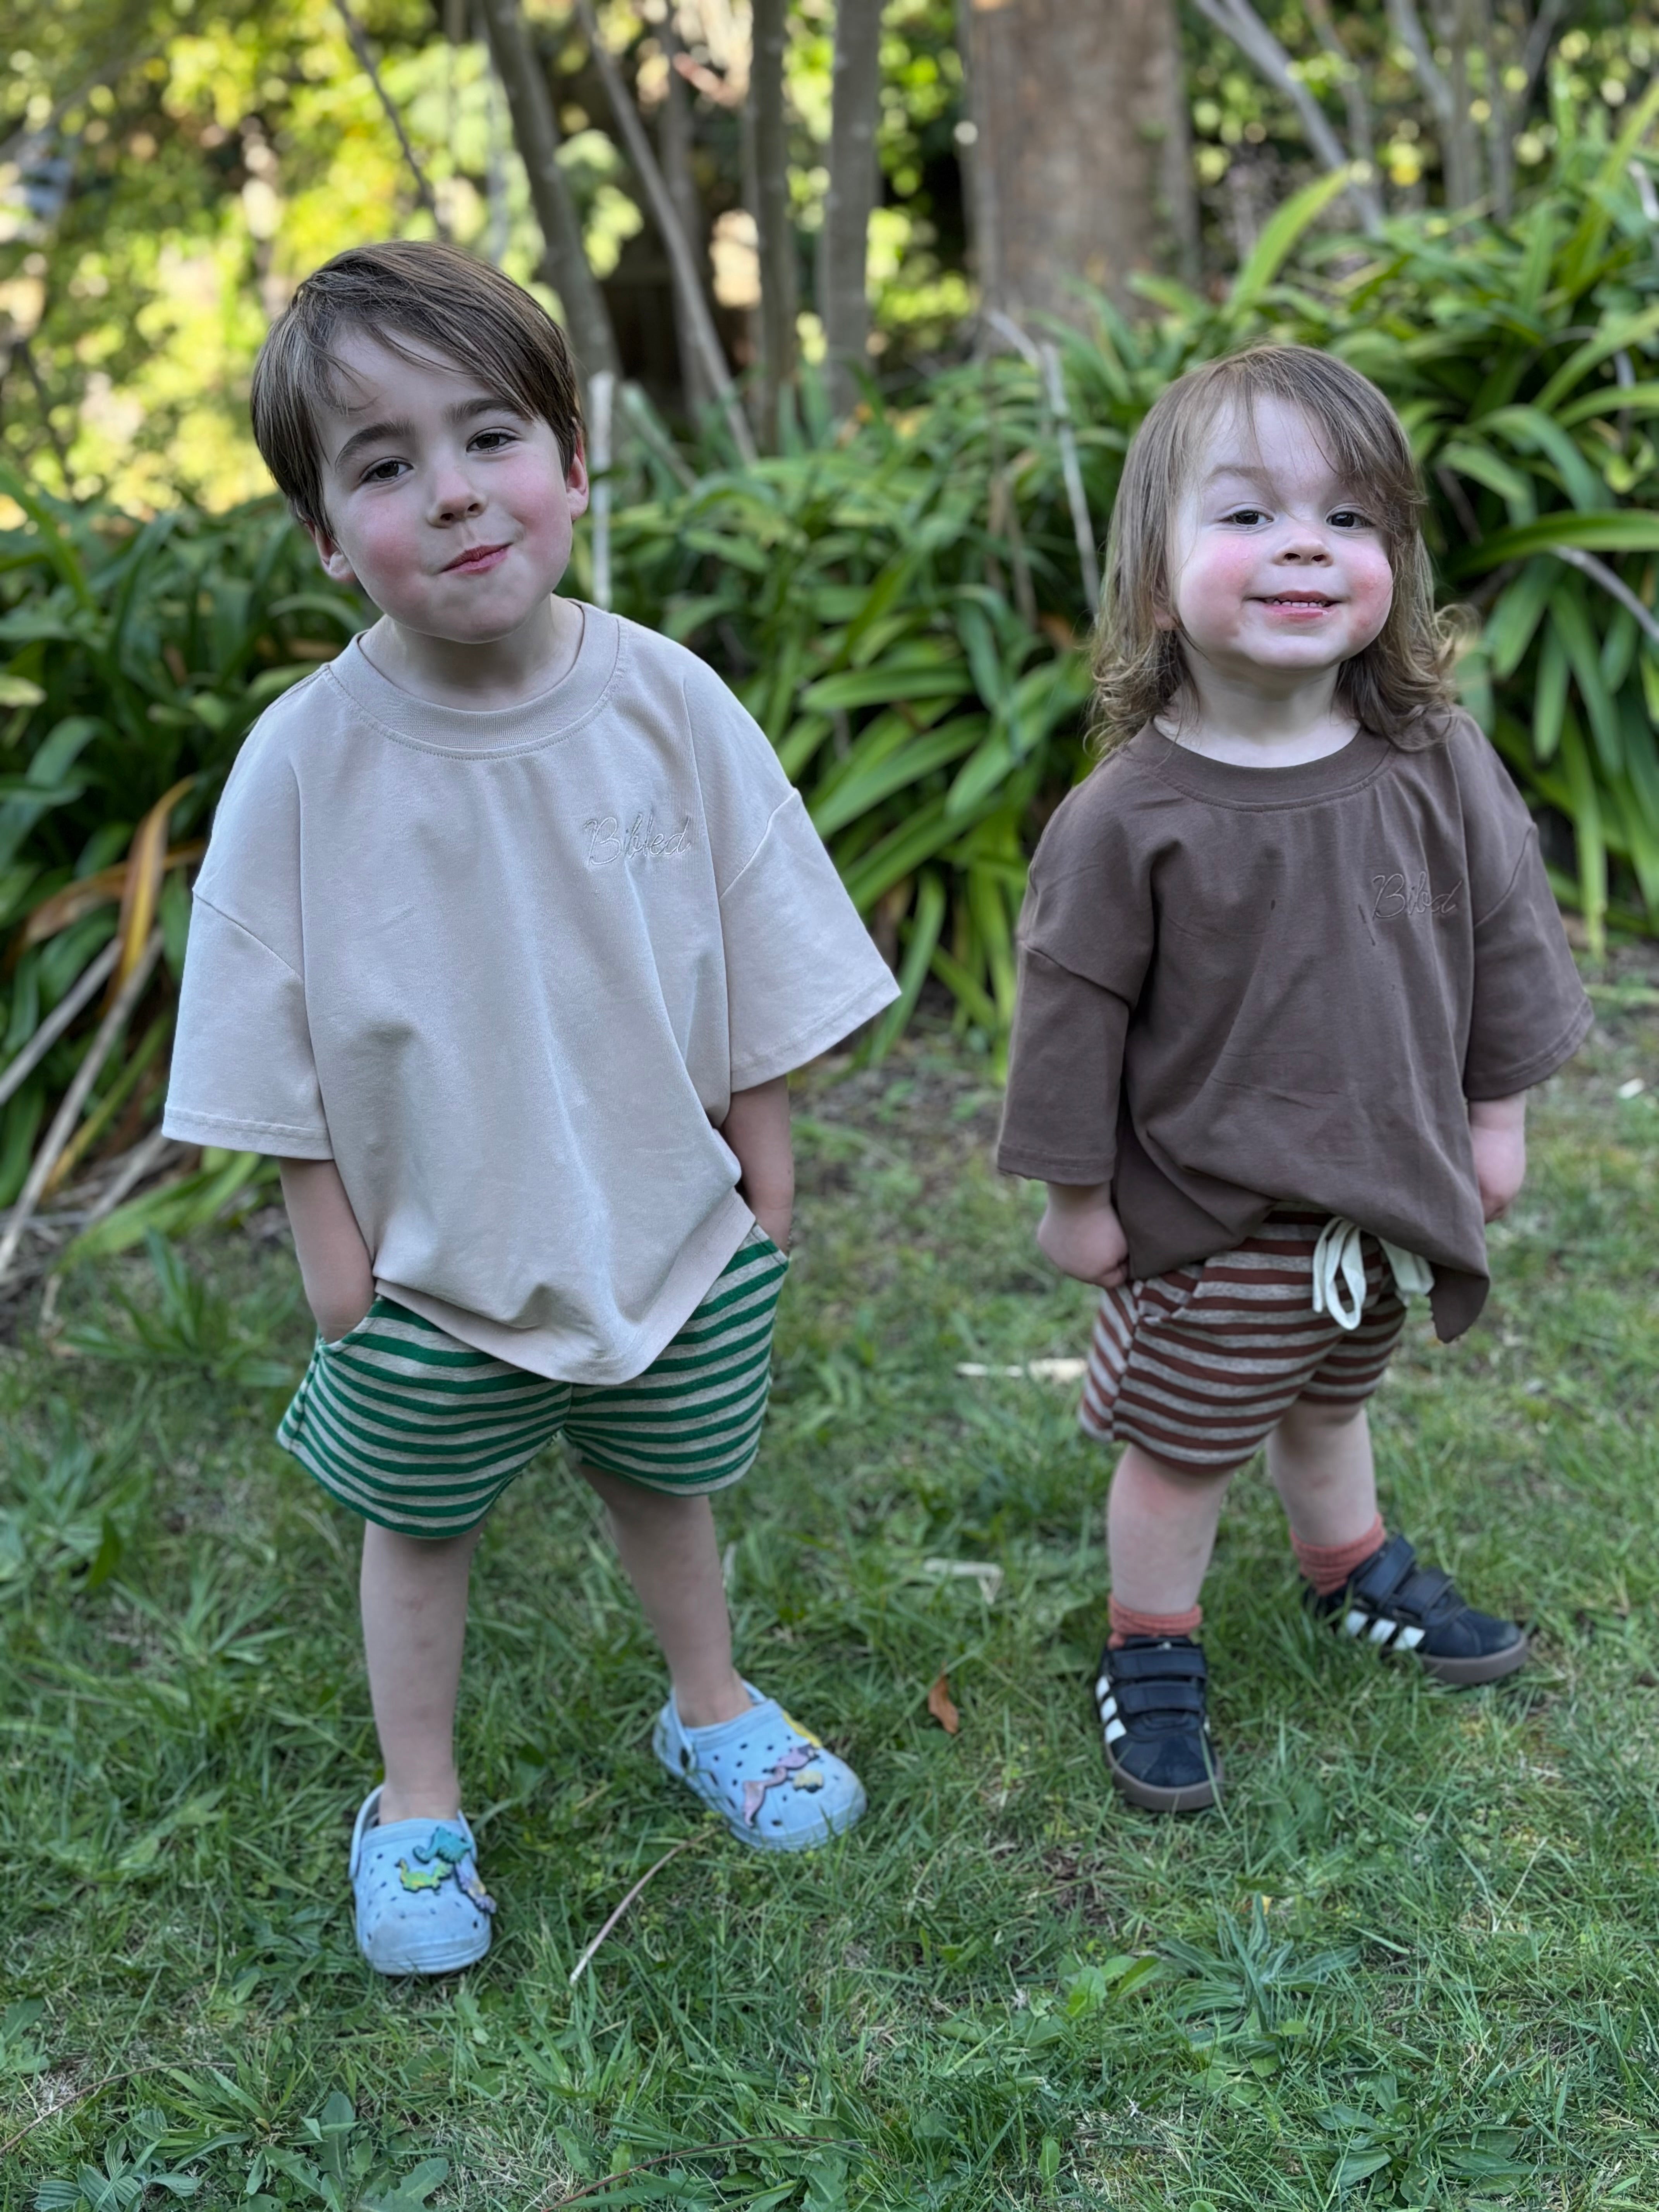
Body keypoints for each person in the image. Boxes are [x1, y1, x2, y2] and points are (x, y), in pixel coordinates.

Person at [163, 240, 898, 1971]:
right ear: (332, 540)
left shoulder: (666, 706)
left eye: (490, 436)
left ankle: (707, 1703)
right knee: (417, 1526)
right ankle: (415, 1799)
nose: (456, 494)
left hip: (670, 1219)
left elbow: (765, 935)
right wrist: (334, 1262)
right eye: (385, 466)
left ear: (575, 464)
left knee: (669, 1484)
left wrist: (764, 1178)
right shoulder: (307, 761)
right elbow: (261, 1032)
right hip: (429, 1263)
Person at [996, 345, 1591, 1815]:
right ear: (1153, 578)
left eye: (1348, 518)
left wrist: (1491, 1120)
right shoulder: (1129, 814)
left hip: (1380, 1203)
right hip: (1213, 1219)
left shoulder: (1432, 760)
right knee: (1184, 1447)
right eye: (1247, 516)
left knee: (1332, 1398)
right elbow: (1070, 1017)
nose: (1304, 549)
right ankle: (1151, 1647)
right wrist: (1078, 1199)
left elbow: (1506, 934)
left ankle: (1348, 1569)